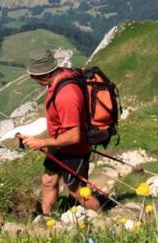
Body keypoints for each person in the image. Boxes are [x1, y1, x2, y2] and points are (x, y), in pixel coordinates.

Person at [20, 49, 101, 215]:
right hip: (58, 143)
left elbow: (74, 136)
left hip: (74, 149)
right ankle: (45, 217)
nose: (31, 78)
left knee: (77, 191)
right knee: (49, 180)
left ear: (44, 75)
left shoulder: (66, 95)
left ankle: (103, 219)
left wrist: (42, 142)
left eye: (33, 75)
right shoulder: (59, 76)